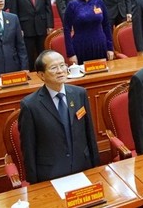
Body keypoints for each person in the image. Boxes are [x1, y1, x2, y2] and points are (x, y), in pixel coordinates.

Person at [19, 50, 99, 184]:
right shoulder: (30, 105)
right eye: (53, 68)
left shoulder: (79, 94)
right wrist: (33, 182)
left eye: (62, 65)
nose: (60, 71)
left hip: (83, 167)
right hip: (50, 174)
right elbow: (28, 147)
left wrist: (96, 165)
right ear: (41, 75)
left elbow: (89, 132)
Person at [7, 0, 53, 70]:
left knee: (44, 54)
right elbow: (14, 11)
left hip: (42, 26)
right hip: (26, 28)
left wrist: (49, 25)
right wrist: (18, 28)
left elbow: (48, 7)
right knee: (29, 54)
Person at [63, 0, 114, 64]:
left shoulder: (99, 2)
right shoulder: (72, 5)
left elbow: (106, 25)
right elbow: (67, 29)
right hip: (81, 45)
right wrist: (70, 53)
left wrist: (110, 48)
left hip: (100, 44)